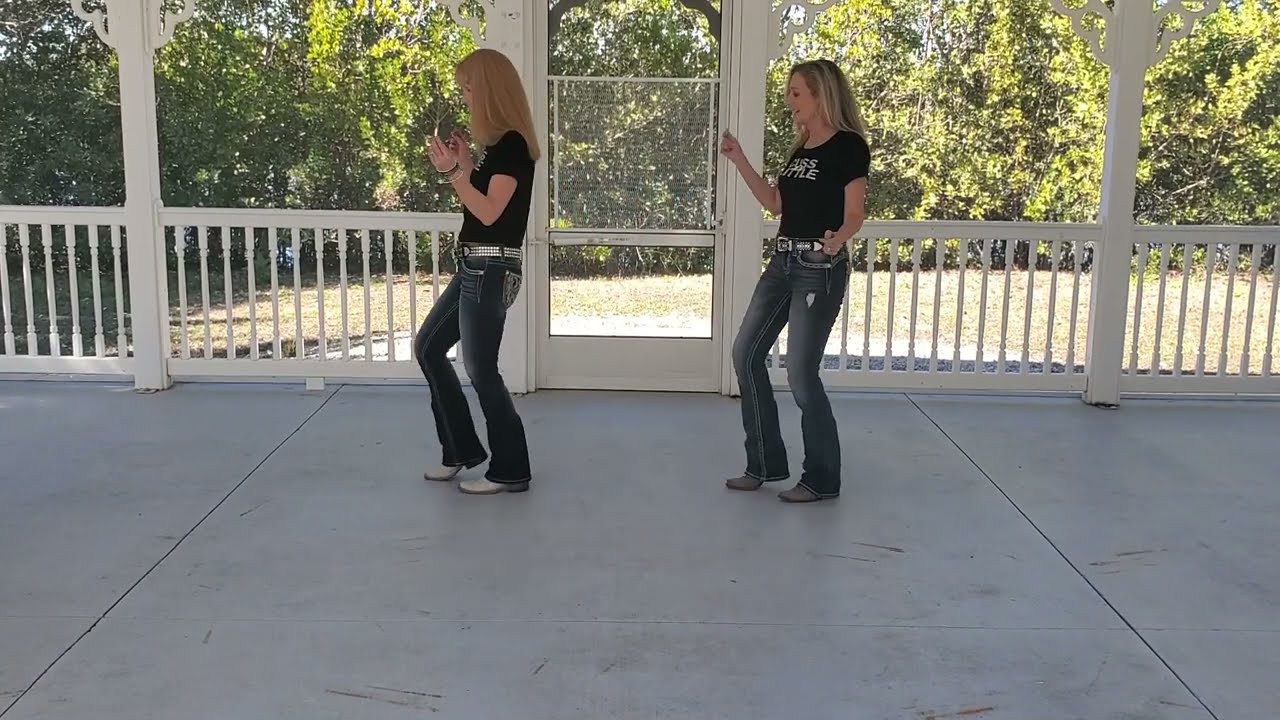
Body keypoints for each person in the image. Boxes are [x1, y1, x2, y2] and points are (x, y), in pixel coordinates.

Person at [719, 59, 870, 503]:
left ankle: (821, 478)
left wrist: (838, 239)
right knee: (746, 353)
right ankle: (764, 464)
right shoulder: (801, 148)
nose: (789, 100)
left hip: (818, 266)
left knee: (801, 374)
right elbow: (774, 203)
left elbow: (855, 213)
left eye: (796, 92)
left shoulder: (848, 146)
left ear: (821, 95)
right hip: (782, 263)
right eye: (789, 92)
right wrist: (739, 159)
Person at [415, 48, 539, 495]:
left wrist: (453, 172)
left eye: (468, 88)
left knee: (481, 369)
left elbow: (488, 212)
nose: (465, 96)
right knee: (429, 347)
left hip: (491, 268)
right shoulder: (498, 149)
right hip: (476, 265)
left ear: (489, 91)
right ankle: (460, 450)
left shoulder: (513, 146)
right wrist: (467, 164)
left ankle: (510, 470)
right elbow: (485, 200)